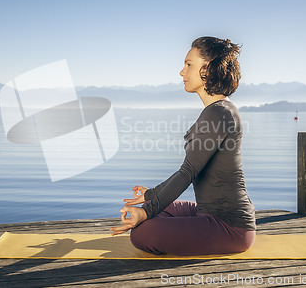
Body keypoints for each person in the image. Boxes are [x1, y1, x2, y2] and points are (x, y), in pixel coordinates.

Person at [109, 36, 256, 256]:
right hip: (207, 212)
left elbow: (188, 172)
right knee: (159, 209)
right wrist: (151, 194)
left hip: (230, 227)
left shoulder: (219, 113)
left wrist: (147, 211)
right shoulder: (217, 110)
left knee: (142, 234)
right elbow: (188, 168)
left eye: (189, 65)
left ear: (208, 70)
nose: (182, 72)